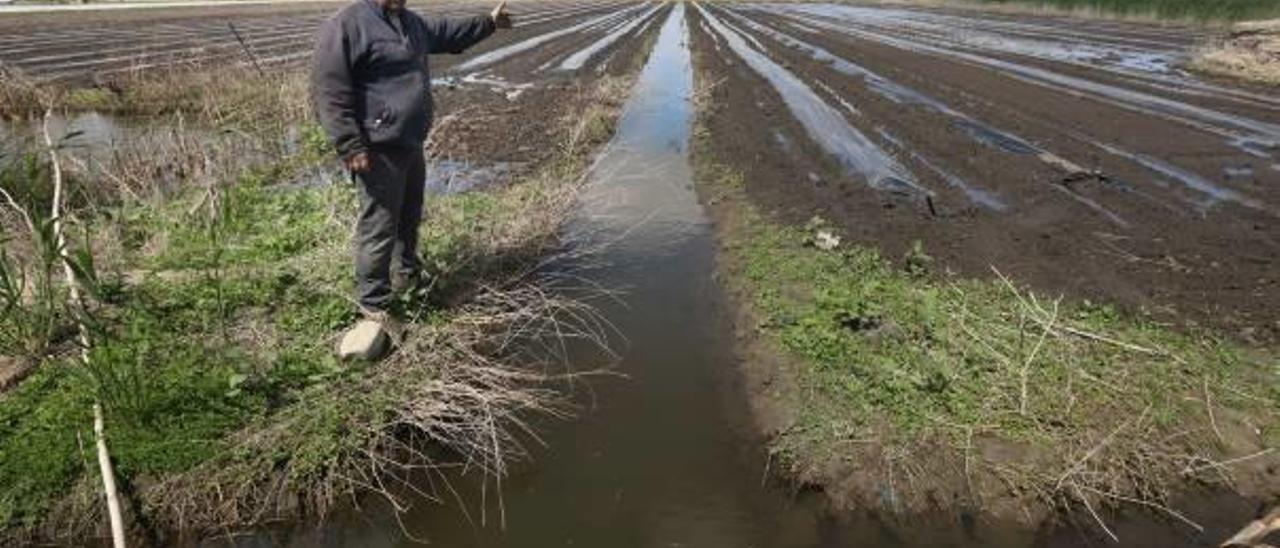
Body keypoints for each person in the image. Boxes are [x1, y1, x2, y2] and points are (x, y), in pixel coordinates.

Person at [312, 0, 512, 355]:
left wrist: (489, 23)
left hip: (409, 143)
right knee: (379, 226)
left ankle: (408, 278)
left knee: (408, 216)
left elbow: (447, 33)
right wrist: (350, 144)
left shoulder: (410, 23)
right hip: (376, 149)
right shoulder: (347, 25)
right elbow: (331, 92)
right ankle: (374, 305)